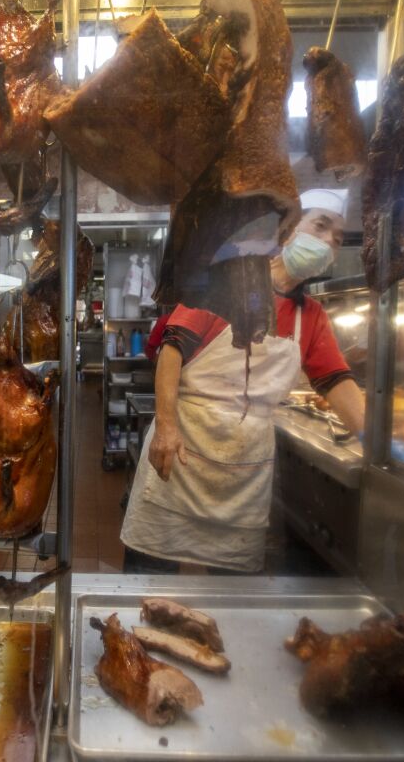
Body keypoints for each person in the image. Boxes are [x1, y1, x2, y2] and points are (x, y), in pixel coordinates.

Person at [121, 189, 366, 575]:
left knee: (231, 587)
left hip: (244, 468)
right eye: (319, 226)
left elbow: (338, 383)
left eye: (336, 239)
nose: (327, 243)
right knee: (150, 573)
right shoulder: (227, 282)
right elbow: (172, 351)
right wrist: (166, 426)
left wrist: (383, 445)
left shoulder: (311, 315)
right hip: (183, 446)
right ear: (287, 229)